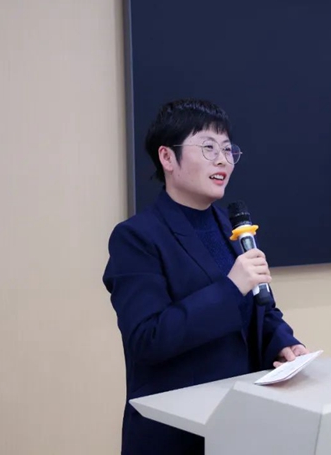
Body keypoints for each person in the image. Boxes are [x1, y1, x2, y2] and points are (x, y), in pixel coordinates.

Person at [103, 98, 308, 455]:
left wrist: (283, 343)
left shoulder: (233, 227)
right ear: (167, 158)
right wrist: (230, 287)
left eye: (228, 149)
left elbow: (260, 309)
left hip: (237, 425)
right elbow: (147, 339)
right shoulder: (137, 237)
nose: (223, 160)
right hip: (174, 433)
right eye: (209, 147)